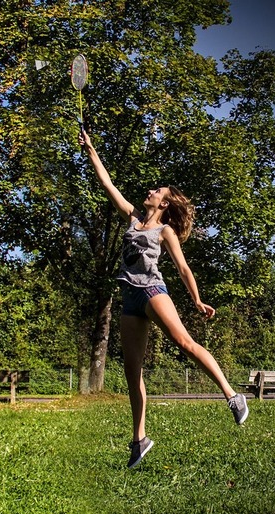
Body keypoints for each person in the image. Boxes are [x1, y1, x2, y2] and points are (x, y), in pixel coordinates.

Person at [79, 130, 248, 468]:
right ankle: (139, 439)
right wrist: (92, 151)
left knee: (183, 341)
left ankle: (233, 396)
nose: (150, 191)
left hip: (153, 291)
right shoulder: (133, 218)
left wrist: (197, 300)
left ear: (165, 204)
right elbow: (108, 184)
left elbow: (183, 269)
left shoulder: (165, 231)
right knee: (131, 370)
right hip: (129, 298)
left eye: (157, 191)